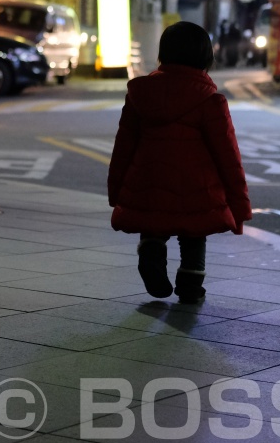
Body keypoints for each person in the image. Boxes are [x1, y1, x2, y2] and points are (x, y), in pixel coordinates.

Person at [107, 21, 253, 304]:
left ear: (164, 54)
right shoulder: (211, 101)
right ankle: (190, 284)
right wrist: (239, 204)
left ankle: (150, 255)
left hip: (148, 181)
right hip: (197, 186)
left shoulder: (140, 94)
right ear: (206, 57)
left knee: (153, 223)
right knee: (195, 231)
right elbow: (228, 157)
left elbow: (123, 146)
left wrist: (117, 191)